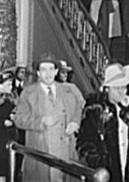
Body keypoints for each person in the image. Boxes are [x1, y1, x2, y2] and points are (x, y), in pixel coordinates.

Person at [14, 53, 85, 182]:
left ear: (56, 71)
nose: (48, 73)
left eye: (51, 69)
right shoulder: (28, 93)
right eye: (43, 69)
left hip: (65, 153)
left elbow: (79, 106)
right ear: (38, 73)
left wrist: (75, 122)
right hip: (41, 154)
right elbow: (18, 119)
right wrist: (40, 121)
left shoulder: (68, 90)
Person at [77, 63, 129, 182]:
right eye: (116, 88)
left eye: (124, 87)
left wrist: (128, 110)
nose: (121, 92)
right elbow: (84, 144)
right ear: (107, 89)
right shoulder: (95, 108)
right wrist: (100, 163)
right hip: (106, 174)